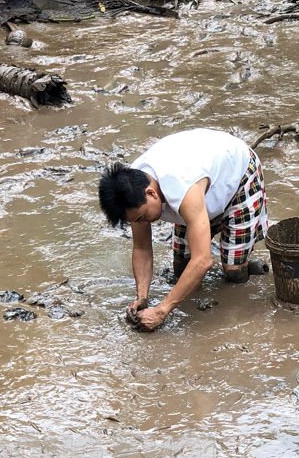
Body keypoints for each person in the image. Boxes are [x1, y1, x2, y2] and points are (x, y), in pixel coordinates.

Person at [98, 128, 269, 331]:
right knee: (181, 267)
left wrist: (161, 311)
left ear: (151, 193)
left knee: (233, 272)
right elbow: (142, 247)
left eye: (142, 218)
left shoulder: (181, 188)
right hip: (200, 183)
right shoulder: (132, 192)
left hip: (237, 175)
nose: (142, 225)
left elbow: (203, 260)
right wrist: (142, 298)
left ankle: (243, 264)